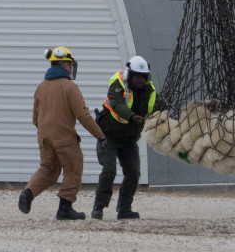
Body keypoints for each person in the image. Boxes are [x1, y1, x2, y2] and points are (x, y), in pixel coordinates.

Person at [17, 46, 105, 221]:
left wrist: (45, 132)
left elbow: (35, 118)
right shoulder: (70, 87)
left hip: (44, 136)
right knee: (74, 166)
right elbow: (82, 116)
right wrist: (100, 135)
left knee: (48, 169)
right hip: (64, 137)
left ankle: (28, 193)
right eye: (70, 65)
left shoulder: (41, 87)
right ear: (65, 65)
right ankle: (65, 208)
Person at [91, 55, 157, 220]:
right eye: (136, 76)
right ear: (129, 74)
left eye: (143, 77)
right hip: (109, 136)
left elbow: (158, 109)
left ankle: (124, 209)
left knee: (134, 172)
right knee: (109, 171)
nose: (139, 80)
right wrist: (133, 117)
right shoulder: (118, 84)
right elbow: (118, 105)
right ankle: (98, 207)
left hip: (129, 139)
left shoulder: (150, 91)